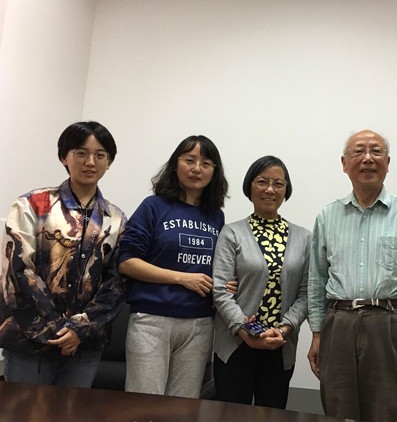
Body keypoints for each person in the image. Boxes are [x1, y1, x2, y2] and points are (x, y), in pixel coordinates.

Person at [307, 130, 397, 422]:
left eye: (376, 151)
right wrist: (317, 334)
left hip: (391, 326)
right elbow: (316, 281)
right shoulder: (327, 217)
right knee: (337, 412)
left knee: (390, 413)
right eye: (358, 151)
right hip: (338, 326)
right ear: (344, 164)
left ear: (388, 163)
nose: (367, 158)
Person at [0, 121, 127, 387]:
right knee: (24, 410)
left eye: (100, 155)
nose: (90, 162)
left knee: (74, 410)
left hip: (85, 343)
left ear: (109, 162)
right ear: (64, 157)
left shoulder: (116, 219)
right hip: (30, 337)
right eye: (81, 153)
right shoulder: (32, 205)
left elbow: (116, 281)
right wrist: (60, 327)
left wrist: (80, 328)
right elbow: (18, 271)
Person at [118, 135, 228, 398]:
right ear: (175, 164)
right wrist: (181, 278)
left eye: (205, 163)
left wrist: (225, 284)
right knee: (144, 405)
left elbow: (215, 267)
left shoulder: (216, 216)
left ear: (214, 172)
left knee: (183, 408)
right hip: (152, 320)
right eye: (189, 160)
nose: (196, 168)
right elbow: (127, 262)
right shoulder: (153, 206)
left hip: (199, 323)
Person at [212, 155, 311, 409]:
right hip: (235, 343)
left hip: (280, 343)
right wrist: (243, 330)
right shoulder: (231, 233)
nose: (270, 189)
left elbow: (306, 294)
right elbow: (221, 290)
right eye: (262, 181)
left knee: (272, 415)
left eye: (278, 183)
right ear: (250, 186)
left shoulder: (304, 238)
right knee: (231, 416)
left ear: (286, 189)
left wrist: (285, 329)